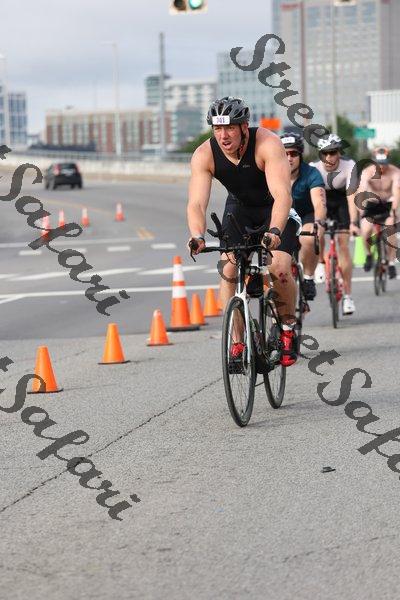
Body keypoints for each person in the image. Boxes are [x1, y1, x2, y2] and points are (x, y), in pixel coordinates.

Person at [187, 97, 300, 367]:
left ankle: (287, 328)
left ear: (244, 127)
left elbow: (282, 195)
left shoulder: (267, 143)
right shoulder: (204, 154)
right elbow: (196, 203)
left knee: (279, 268)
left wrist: (275, 230)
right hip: (239, 210)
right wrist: (197, 235)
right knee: (228, 268)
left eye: (229, 128)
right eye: (217, 128)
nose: (223, 136)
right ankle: (238, 342)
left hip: (274, 209)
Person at [311, 134, 360, 315]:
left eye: (333, 153)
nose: (329, 157)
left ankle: (348, 296)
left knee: (343, 245)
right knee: (318, 230)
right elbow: (313, 201)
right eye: (325, 153)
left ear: (339, 153)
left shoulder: (350, 166)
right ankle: (321, 262)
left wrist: (353, 222)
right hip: (322, 200)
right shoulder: (314, 168)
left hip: (342, 203)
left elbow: (352, 197)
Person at [280, 132, 326, 301]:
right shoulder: (271, 172)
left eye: (293, 153)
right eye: (285, 153)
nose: (289, 158)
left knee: (309, 238)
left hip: (306, 214)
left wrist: (318, 222)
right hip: (283, 216)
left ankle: (308, 278)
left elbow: (319, 203)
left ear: (300, 155)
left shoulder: (311, 173)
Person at [358, 147, 400, 279]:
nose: (382, 167)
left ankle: (391, 262)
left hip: (388, 204)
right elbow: (361, 190)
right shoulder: (367, 172)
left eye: (384, 163)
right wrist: (360, 211)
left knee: (390, 227)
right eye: (379, 163)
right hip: (372, 204)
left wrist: (393, 212)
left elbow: (397, 193)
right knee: (365, 229)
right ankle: (368, 255)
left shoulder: (395, 172)